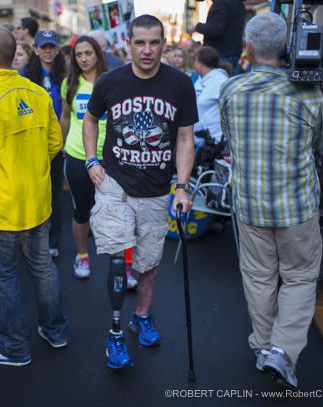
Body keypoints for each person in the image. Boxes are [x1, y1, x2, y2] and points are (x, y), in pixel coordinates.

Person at [219, 12, 323, 388]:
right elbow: (321, 144)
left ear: (247, 48)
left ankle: (265, 347)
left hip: (250, 205)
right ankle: (282, 351)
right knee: (299, 277)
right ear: (285, 48)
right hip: (297, 206)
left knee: (259, 278)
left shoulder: (230, 90)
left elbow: (231, 141)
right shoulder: (308, 93)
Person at [83, 14, 197, 369]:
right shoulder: (109, 81)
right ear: (128, 44)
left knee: (148, 264)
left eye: (154, 42)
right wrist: (91, 160)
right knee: (119, 258)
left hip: (157, 189)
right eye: (140, 42)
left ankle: (142, 316)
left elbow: (184, 138)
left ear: (165, 44)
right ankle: (116, 333)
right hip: (115, 185)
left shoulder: (179, 83)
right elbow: (89, 119)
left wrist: (182, 187)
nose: (147, 50)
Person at [0, 25, 69, 367]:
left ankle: (14, 347)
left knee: (4, 275)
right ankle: (56, 331)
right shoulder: (36, 91)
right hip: (36, 201)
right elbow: (54, 143)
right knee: (42, 267)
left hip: (0, 205)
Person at [60, 36, 109, 280]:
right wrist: (60, 145)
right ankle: (82, 257)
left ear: (98, 54)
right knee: (81, 210)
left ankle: (124, 263)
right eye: (78, 55)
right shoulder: (69, 83)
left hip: (110, 158)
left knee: (117, 211)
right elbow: (66, 118)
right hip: (78, 155)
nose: (83, 59)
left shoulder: (111, 81)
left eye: (88, 53)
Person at [21, 30, 66, 258]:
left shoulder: (67, 75)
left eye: (51, 46)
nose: (47, 51)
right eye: (43, 47)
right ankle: (30, 238)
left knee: (54, 195)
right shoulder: (23, 75)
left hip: (56, 146)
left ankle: (52, 240)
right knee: (31, 192)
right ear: (35, 49)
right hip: (32, 144)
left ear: (58, 49)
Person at [189, 0, 246, 74]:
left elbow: (216, 29)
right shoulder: (238, 3)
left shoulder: (221, 3)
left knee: (220, 82)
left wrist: (197, 27)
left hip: (221, 53)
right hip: (232, 52)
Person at [193, 46, 229, 144]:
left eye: (195, 60)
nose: (194, 64)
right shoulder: (200, 80)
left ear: (201, 64)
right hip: (198, 142)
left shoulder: (219, 81)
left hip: (214, 144)